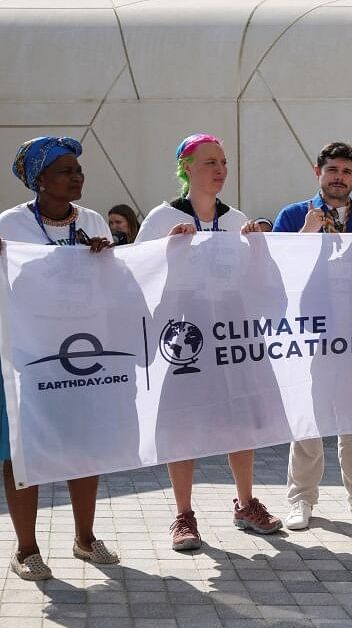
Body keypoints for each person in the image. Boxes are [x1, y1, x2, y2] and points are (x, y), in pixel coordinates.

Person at [135, 133, 282, 549]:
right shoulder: (161, 219)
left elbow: (262, 283)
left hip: (232, 329)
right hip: (185, 331)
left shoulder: (236, 220)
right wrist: (168, 253)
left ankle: (246, 502)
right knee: (183, 420)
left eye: (223, 162)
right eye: (208, 163)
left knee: (239, 417)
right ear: (186, 168)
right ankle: (183, 514)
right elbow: (137, 280)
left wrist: (257, 250)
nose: (219, 170)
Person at [0, 136, 119, 580]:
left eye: (79, 169)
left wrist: (108, 261)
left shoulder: (91, 221)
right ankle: (26, 548)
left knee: (84, 449)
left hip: (83, 355)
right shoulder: (10, 225)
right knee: (22, 453)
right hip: (27, 356)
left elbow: (113, 288)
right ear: (39, 179)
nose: (78, 176)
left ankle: (85, 539)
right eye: (66, 170)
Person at [272, 141, 352, 529]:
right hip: (308, 330)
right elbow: (277, 273)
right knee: (307, 415)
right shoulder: (295, 215)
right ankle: (301, 498)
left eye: (346, 172)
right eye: (332, 171)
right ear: (318, 172)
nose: (339, 178)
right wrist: (305, 237)